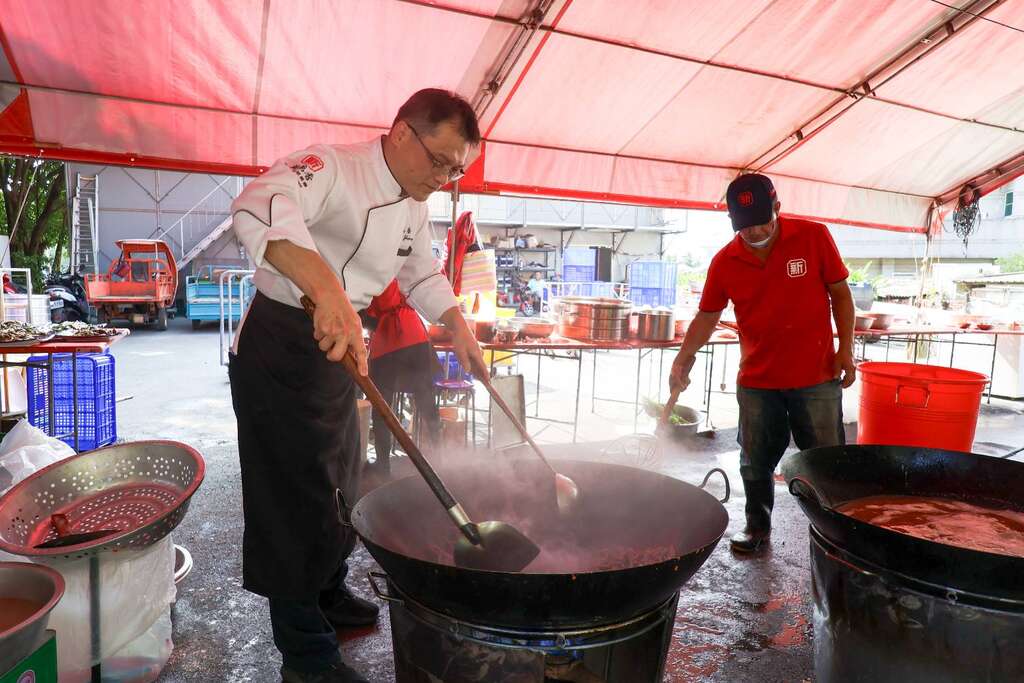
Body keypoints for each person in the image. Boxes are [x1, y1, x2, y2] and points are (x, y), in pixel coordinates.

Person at [229, 88, 486, 683]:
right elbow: (257, 205)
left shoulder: (414, 204)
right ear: (402, 132)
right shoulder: (331, 166)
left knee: (342, 479)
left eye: (456, 171)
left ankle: (328, 590)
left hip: (340, 346)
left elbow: (420, 272)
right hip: (281, 344)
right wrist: (328, 291)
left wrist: (457, 326)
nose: (443, 179)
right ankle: (305, 655)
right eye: (440, 161)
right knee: (291, 497)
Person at [669, 173, 856, 554]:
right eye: (744, 226)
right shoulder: (725, 261)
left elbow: (840, 294)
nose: (754, 232)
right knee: (754, 461)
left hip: (817, 375)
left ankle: (835, 533)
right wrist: (683, 358)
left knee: (826, 460)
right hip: (757, 380)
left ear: (778, 209)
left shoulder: (814, 237)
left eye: (762, 223)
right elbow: (707, 316)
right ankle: (757, 526)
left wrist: (846, 349)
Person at [364, 279, 441, 474]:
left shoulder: (373, 273)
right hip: (416, 334)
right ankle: (441, 459)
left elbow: (367, 317)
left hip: (389, 338)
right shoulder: (405, 270)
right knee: (426, 398)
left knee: (382, 405)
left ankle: (383, 466)